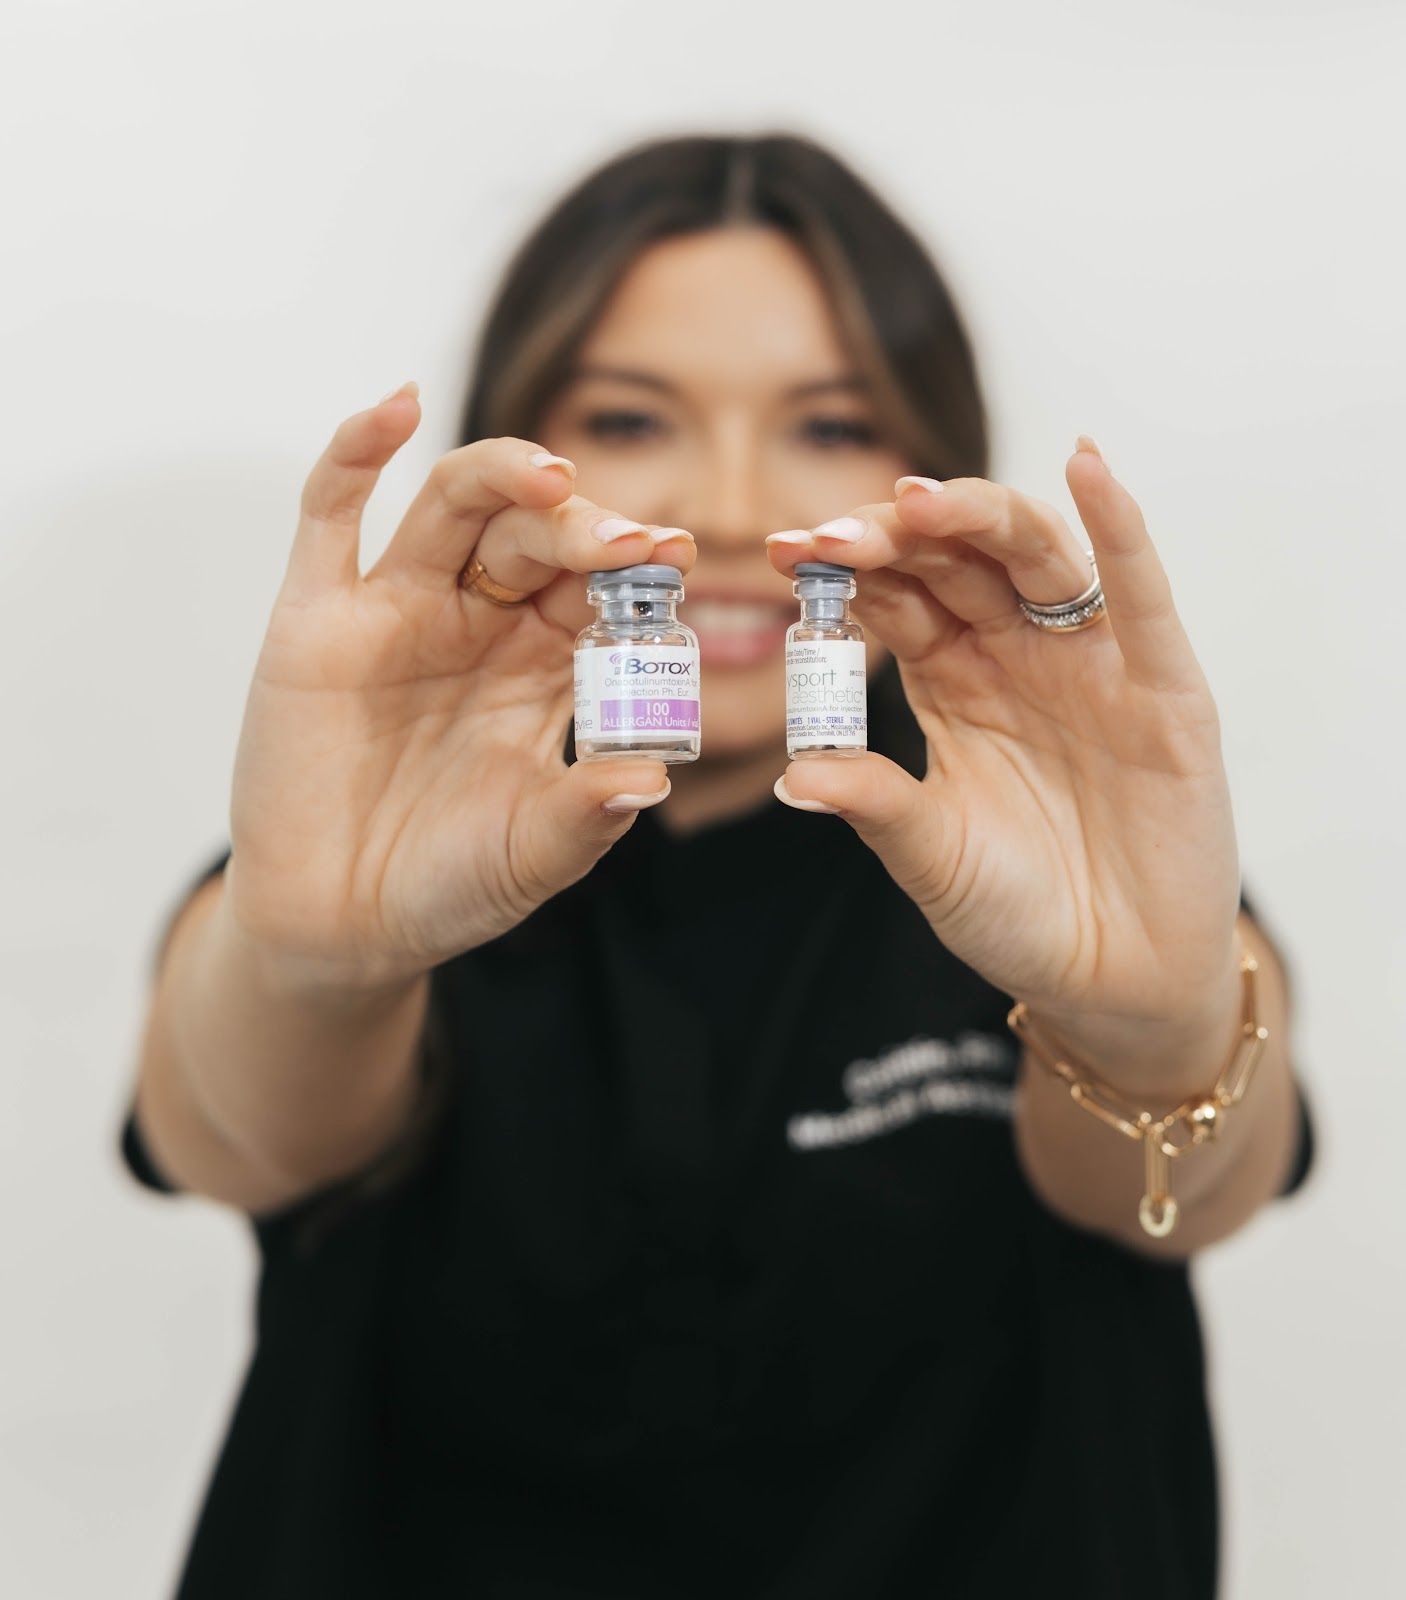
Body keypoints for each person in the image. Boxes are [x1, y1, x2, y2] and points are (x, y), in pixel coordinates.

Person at [120, 132, 1315, 1600]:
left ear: (925, 466)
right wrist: (315, 964)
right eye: (631, 418)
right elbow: (231, 1142)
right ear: (520, 454)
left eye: (826, 425)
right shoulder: (380, 826)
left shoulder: (1050, 826)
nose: (735, 505)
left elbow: (1200, 1189)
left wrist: (1143, 1023)